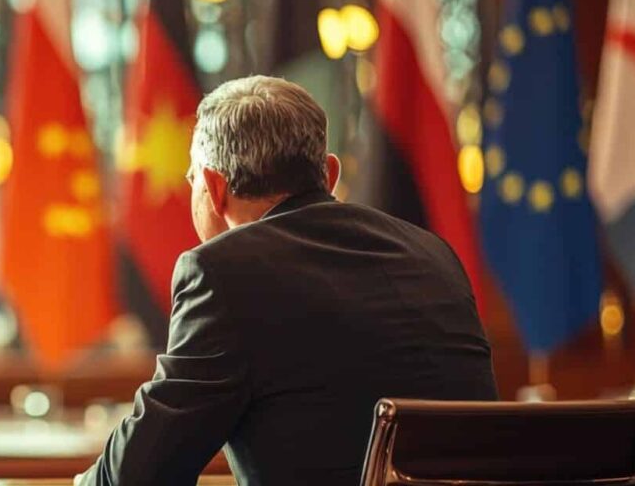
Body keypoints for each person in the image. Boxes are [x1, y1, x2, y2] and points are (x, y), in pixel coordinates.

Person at [79, 76, 496, 485]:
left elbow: (139, 474)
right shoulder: (435, 256)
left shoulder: (223, 274)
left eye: (192, 180)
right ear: (329, 175)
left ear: (213, 186)